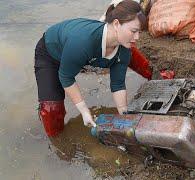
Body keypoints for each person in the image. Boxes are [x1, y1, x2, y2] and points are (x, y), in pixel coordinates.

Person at [34, 0, 147, 137]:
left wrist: (125, 118)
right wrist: (84, 111)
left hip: (78, 55)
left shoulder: (124, 49)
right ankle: (57, 139)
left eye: (139, 32)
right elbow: (66, 76)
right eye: (134, 31)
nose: (137, 37)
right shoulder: (83, 41)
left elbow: (118, 85)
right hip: (50, 54)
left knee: (131, 55)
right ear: (116, 24)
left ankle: (160, 76)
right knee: (51, 109)